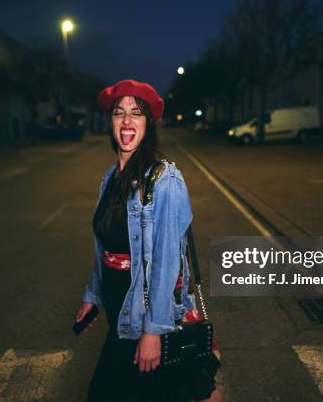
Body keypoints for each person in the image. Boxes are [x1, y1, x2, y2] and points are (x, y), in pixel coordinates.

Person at [75, 79, 223, 402]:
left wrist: (153, 332)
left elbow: (167, 263)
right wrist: (92, 295)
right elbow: (105, 248)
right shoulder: (109, 180)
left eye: (136, 114)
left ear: (148, 125)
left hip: (146, 318)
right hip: (119, 317)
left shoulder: (164, 180)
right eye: (119, 113)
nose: (127, 120)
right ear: (111, 123)